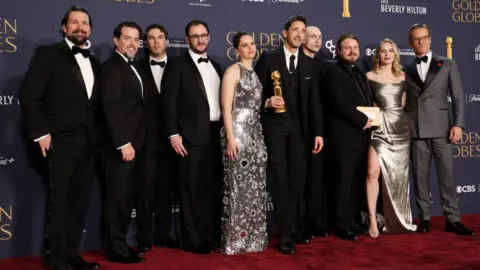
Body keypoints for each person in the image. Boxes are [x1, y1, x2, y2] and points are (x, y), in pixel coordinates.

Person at [19, 6, 101, 270]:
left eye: (84, 23)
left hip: (89, 144)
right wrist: (41, 132)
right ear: (64, 27)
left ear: (90, 29)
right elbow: (29, 95)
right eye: (74, 22)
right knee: (60, 201)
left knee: (79, 203)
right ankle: (54, 259)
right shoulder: (49, 54)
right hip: (60, 141)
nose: (80, 27)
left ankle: (72, 255)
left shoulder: (95, 61)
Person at [255, 15, 324, 255]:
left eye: (303, 31)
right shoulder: (268, 58)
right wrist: (267, 102)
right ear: (285, 33)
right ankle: (284, 235)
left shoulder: (310, 65)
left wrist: (318, 133)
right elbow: (254, 92)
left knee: (297, 181)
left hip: (301, 132)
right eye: (295, 30)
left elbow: (315, 102)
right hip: (275, 130)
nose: (299, 34)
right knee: (281, 181)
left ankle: (294, 228)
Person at [404, 23, 475, 236]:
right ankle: (424, 217)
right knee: (420, 177)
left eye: (424, 37)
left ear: (430, 39)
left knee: (447, 176)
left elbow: (458, 96)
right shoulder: (406, 69)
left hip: (442, 129)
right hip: (416, 130)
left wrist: (458, 124)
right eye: (416, 39)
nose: (421, 42)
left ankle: (452, 219)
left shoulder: (447, 64)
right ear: (411, 43)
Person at [161, 20, 223, 254]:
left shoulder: (216, 66)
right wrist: (173, 134)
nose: (200, 39)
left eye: (203, 35)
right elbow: (168, 104)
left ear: (209, 37)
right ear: (187, 39)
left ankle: (207, 235)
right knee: (189, 190)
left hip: (215, 136)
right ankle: (192, 239)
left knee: (209, 189)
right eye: (195, 36)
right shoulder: (177, 66)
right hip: (187, 138)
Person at [100, 21, 147, 263]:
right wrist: (122, 143)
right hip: (120, 149)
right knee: (117, 200)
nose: (132, 43)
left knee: (126, 199)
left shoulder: (133, 67)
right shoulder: (111, 69)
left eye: (135, 39)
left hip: (134, 146)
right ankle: (116, 249)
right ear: (116, 40)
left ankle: (122, 245)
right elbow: (111, 108)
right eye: (127, 38)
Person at [219, 32, 268, 255]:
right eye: (244, 45)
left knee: (254, 191)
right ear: (236, 49)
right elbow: (226, 108)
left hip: (255, 136)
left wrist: (268, 102)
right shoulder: (233, 71)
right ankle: (235, 242)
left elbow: (251, 103)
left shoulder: (254, 73)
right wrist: (230, 137)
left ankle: (253, 240)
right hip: (237, 134)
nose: (250, 48)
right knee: (238, 191)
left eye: (252, 44)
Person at [323, 34, 373, 241]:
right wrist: (362, 119)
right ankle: (342, 225)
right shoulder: (333, 73)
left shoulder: (360, 74)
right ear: (338, 51)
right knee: (343, 182)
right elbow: (338, 102)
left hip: (362, 137)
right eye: (347, 48)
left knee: (355, 182)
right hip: (343, 137)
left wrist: (372, 114)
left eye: (355, 48)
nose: (352, 51)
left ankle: (352, 219)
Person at [365, 39, 417, 238]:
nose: (386, 55)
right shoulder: (369, 76)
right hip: (378, 128)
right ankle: (372, 219)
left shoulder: (402, 76)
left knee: (398, 177)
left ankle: (400, 219)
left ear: (395, 54)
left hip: (400, 130)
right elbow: (369, 103)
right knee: (372, 171)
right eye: (383, 51)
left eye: (390, 51)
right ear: (377, 55)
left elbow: (402, 104)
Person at [135, 24, 178, 252]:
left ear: (167, 41)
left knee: (166, 191)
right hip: (145, 140)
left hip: (173, 141)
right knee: (145, 191)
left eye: (160, 37)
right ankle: (144, 238)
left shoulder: (180, 67)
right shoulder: (137, 67)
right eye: (151, 38)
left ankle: (164, 234)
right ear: (146, 43)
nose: (156, 42)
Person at [302, 25, 329, 239]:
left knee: (317, 180)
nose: (317, 41)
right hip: (297, 129)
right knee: (300, 180)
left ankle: (315, 222)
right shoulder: (293, 62)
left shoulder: (323, 66)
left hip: (320, 130)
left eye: (320, 37)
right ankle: (300, 224)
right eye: (313, 37)